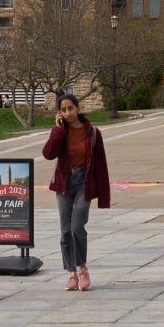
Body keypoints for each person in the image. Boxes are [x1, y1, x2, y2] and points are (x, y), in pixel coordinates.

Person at [41, 93, 110, 292]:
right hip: (64, 183)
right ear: (59, 113)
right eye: (63, 110)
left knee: (77, 227)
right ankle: (72, 272)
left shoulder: (93, 133)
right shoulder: (60, 132)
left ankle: (82, 268)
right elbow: (48, 154)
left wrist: (104, 197)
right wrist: (57, 130)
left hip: (83, 183)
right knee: (65, 231)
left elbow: (101, 166)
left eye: (71, 108)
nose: (68, 112)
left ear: (77, 108)